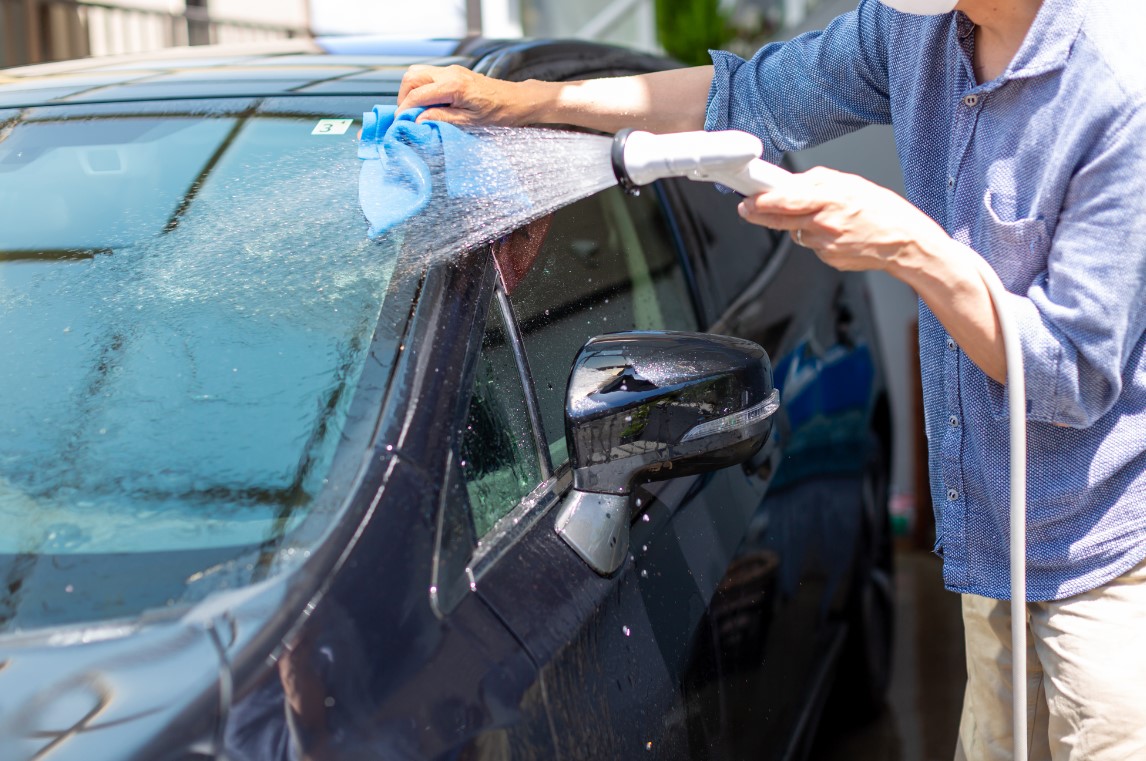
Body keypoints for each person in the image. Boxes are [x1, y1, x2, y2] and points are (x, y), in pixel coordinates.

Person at [396, 0, 1146, 758]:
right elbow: (742, 97)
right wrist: (528, 104)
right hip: (993, 553)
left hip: (1103, 574)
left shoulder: (1116, 88)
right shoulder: (919, 28)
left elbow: (1069, 376)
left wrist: (911, 247)